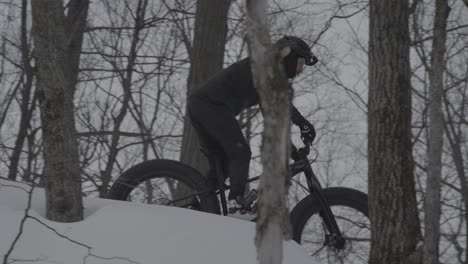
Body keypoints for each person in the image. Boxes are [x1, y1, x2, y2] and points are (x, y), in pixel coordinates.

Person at [187, 36, 317, 216]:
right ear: (289, 56)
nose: (301, 69)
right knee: (240, 152)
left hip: (201, 107)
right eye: (300, 62)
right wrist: (303, 123)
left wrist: (292, 151)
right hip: (210, 106)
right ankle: (236, 203)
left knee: (223, 165)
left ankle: (195, 207)